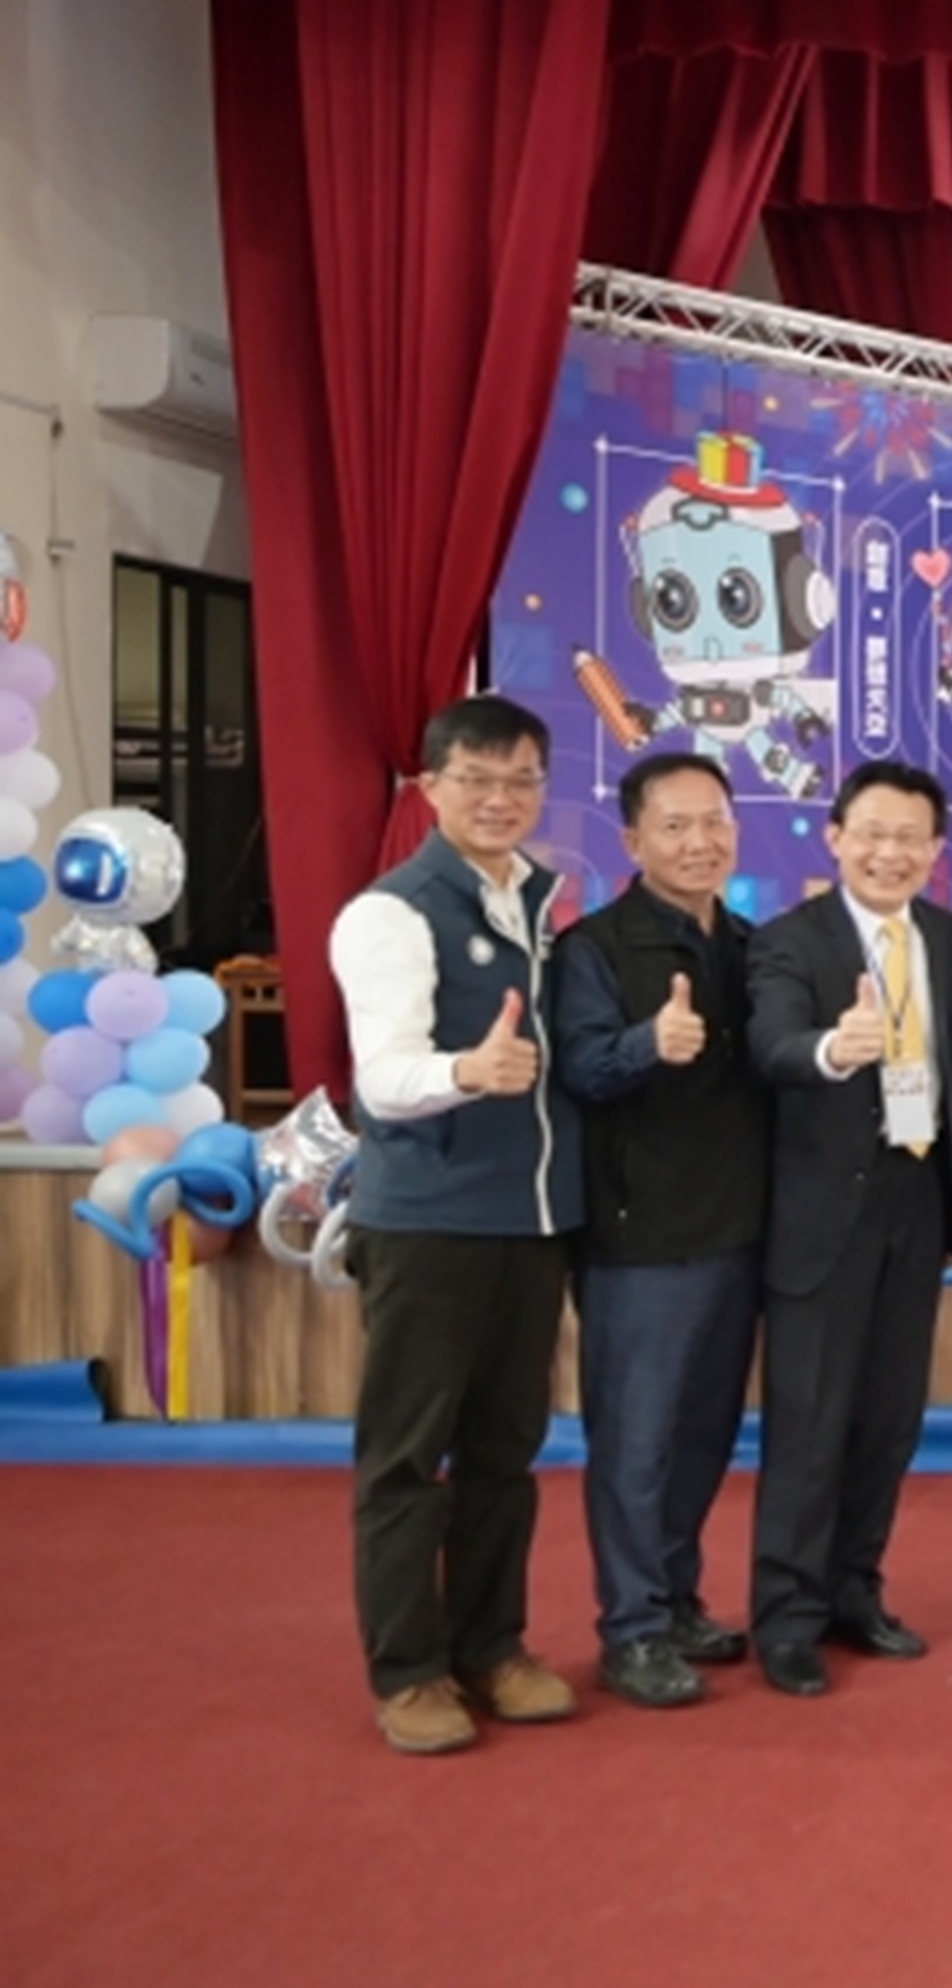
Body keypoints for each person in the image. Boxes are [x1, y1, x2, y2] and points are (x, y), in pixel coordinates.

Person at [326, 693, 586, 1754]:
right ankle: (408, 1671)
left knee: (504, 1450)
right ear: (431, 785)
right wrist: (466, 1071)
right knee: (407, 1454)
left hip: (531, 1222)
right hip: (429, 1222)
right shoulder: (389, 913)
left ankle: (493, 1646)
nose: (500, 798)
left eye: (521, 778)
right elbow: (383, 1077)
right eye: (476, 778)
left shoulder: (540, 901)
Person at [744, 760, 952, 1698]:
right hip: (822, 1213)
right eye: (872, 834)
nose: (890, 853)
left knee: (887, 1422)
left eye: (909, 838)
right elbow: (771, 1045)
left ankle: (854, 1592)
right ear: (836, 837)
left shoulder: (947, 936)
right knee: (810, 1424)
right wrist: (831, 1049)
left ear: (935, 849)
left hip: (916, 1200)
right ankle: (787, 1618)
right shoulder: (787, 941)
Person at [555, 751, 773, 1709]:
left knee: (702, 1435)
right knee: (635, 1443)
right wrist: (649, 1043)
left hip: (739, 1228)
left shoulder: (752, 944)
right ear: (633, 840)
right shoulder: (594, 948)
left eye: (714, 822)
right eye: (675, 826)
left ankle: (677, 1600)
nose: (699, 842)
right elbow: (581, 1067)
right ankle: (631, 1629)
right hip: (639, 1238)